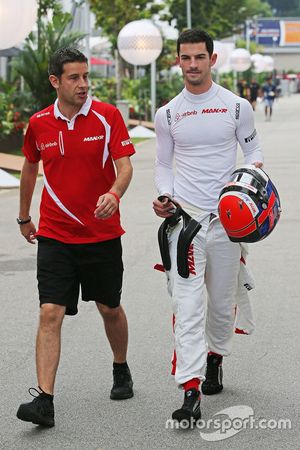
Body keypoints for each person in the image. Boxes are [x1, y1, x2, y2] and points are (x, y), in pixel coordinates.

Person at [16, 47, 135, 428]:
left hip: (100, 234)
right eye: (74, 78)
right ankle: (44, 401)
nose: (84, 84)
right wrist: (24, 217)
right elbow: (30, 169)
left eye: (86, 77)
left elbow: (125, 165)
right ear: (55, 81)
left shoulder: (107, 117)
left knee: (109, 308)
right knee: (50, 312)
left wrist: (114, 194)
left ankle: (120, 366)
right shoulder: (39, 124)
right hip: (55, 233)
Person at [153, 29, 263, 425]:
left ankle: (215, 357)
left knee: (219, 305)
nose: (193, 65)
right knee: (187, 305)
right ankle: (190, 389)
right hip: (186, 224)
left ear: (212, 60)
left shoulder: (236, 107)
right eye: (186, 58)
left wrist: (251, 180)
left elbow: (253, 152)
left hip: (228, 224)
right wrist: (165, 195)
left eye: (200, 57)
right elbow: (163, 164)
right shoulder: (167, 114)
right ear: (178, 61)